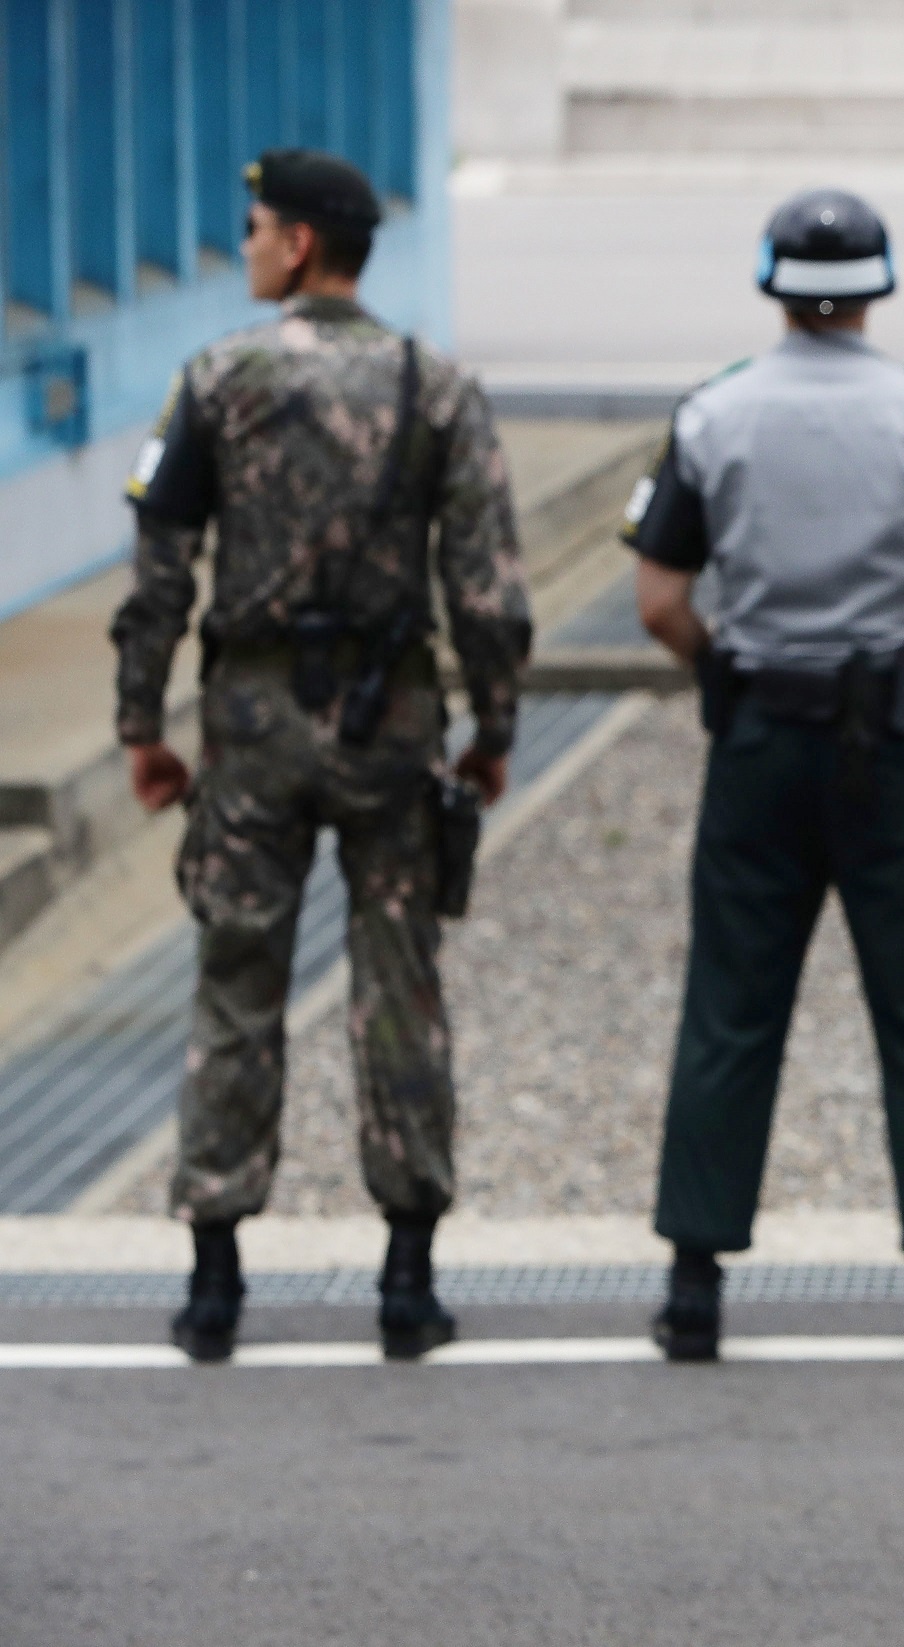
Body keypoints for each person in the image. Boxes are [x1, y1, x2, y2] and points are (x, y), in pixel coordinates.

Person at [113, 149, 531, 1362]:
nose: (242, 245)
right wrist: (494, 728)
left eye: (251, 227)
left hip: (249, 733)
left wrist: (143, 725)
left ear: (297, 243)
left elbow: (156, 571)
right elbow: (489, 588)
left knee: (237, 984)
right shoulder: (431, 385)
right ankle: (406, 1277)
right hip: (389, 730)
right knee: (398, 988)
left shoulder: (215, 377)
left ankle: (215, 1279)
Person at [624, 187, 904, 1362]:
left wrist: (726, 668)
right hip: (893, 739)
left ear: (771, 282)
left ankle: (693, 1284)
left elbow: (660, 600)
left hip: (758, 735)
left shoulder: (711, 415)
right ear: (877, 287)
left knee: (731, 1004)